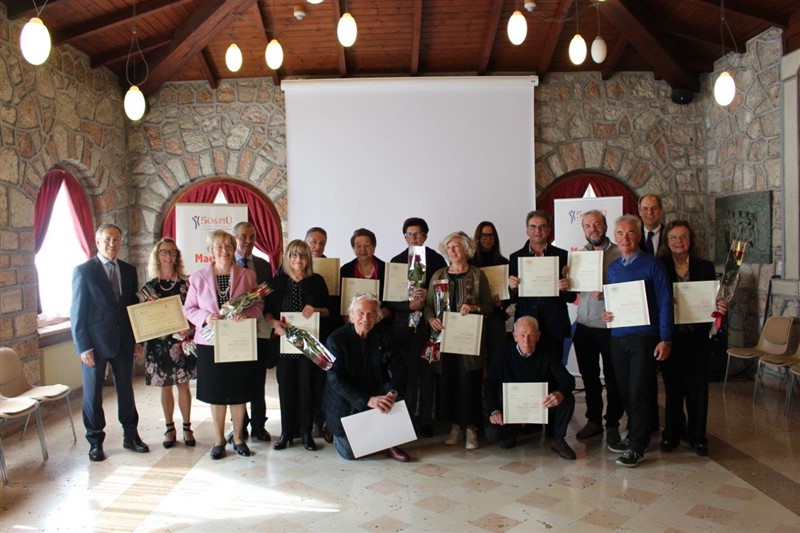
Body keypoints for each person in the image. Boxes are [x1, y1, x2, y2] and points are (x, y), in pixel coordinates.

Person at [70, 223, 149, 462]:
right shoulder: (84, 271)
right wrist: (83, 347)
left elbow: (132, 308)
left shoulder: (129, 270)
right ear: (97, 242)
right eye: (107, 239)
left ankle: (131, 436)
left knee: (126, 390)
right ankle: (95, 441)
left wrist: (138, 340)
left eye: (116, 239)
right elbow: (77, 312)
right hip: (94, 344)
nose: (112, 244)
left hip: (124, 341)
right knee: (93, 394)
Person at [183, 230, 263, 460]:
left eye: (228, 246)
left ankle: (238, 438)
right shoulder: (197, 278)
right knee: (216, 393)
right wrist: (206, 317)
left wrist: (246, 315)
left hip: (238, 340)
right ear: (211, 251)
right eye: (219, 246)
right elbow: (189, 309)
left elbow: (258, 305)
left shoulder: (247, 275)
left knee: (239, 392)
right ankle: (219, 441)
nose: (224, 251)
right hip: (209, 342)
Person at [601, 215, 673, 468]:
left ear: (638, 234)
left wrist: (666, 339)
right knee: (624, 390)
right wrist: (607, 313)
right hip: (618, 337)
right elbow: (613, 303)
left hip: (644, 337)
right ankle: (633, 435)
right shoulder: (613, 268)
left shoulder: (652, 264)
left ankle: (637, 446)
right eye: (620, 233)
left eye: (630, 233)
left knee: (639, 390)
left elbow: (665, 302)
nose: (625, 238)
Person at [658, 220, 727, 457]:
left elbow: (713, 298)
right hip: (671, 337)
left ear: (691, 240)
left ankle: (698, 437)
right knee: (673, 389)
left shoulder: (705, 267)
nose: (679, 241)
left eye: (683, 237)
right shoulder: (660, 266)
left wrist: (719, 304)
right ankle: (672, 435)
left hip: (697, 337)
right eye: (674, 238)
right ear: (667, 242)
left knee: (697, 390)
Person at [424, 232, 494, 450]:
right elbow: (427, 306)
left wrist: (474, 307)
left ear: (467, 249)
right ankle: (455, 427)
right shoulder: (438, 275)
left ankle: (471, 428)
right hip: (443, 340)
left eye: (456, 246)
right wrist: (431, 319)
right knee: (448, 383)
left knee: (469, 383)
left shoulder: (476, 275)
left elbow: (489, 306)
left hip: (467, 342)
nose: (452, 251)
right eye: (449, 247)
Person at [324, 293, 410, 462]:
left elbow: (401, 368)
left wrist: (392, 393)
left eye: (371, 313)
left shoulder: (385, 335)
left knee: (397, 390)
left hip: (374, 389)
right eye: (360, 313)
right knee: (350, 454)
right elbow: (336, 380)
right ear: (351, 315)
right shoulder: (336, 340)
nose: (365, 318)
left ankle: (389, 441)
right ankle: (333, 430)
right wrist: (367, 400)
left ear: (378, 317)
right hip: (346, 398)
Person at [263, 240, 330, 451]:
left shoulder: (317, 281)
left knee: (307, 389)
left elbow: (330, 311)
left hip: (308, 348)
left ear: (307, 259)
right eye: (293, 255)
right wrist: (274, 324)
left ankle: (305, 433)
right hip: (284, 347)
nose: (298, 260)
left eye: (302, 256)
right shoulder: (277, 282)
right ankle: (286, 433)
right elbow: (267, 313)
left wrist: (317, 309)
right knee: (286, 390)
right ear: (287, 257)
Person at [386, 217, 447, 438]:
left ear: (426, 236)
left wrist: (428, 301)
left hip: (430, 325)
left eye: (419, 234)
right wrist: (408, 305)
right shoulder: (396, 262)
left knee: (428, 373)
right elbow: (389, 300)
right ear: (404, 237)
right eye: (410, 234)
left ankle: (427, 420)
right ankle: (408, 419)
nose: (414, 238)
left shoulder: (437, 259)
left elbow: (445, 294)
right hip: (405, 327)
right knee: (408, 375)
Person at [484, 317, 576, 460]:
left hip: (541, 406)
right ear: (515, 336)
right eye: (522, 335)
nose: (526, 341)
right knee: (492, 433)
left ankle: (558, 439)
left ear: (538, 336)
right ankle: (516, 430)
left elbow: (568, 380)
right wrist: (494, 410)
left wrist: (560, 393)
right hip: (513, 409)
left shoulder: (548, 352)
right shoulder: (502, 353)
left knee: (567, 398)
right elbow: (490, 384)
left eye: (531, 335)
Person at [570, 211, 624, 446]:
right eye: (587, 225)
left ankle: (612, 423)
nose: (593, 228)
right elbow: (572, 293)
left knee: (613, 377)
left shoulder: (620, 253)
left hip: (611, 326)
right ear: (583, 229)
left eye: (597, 224)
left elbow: (629, 289)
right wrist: (565, 280)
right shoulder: (578, 256)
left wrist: (608, 293)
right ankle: (593, 420)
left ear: (605, 226)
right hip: (584, 325)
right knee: (589, 376)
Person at [142, 238, 196, 449]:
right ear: (157, 255)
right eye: (164, 252)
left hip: (181, 342)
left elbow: (195, 309)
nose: (168, 256)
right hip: (158, 344)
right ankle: (169, 427)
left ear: (177, 256)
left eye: (172, 252)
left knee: (183, 385)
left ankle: (187, 427)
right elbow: (142, 319)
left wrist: (190, 328)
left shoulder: (186, 283)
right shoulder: (149, 287)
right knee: (165, 386)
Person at [508, 210, 576, 354]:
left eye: (542, 226)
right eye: (533, 226)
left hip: (555, 323)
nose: (537, 230)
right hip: (526, 327)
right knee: (529, 370)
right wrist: (513, 288)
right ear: (527, 230)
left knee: (555, 370)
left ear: (549, 230)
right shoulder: (515, 257)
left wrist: (565, 288)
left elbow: (571, 297)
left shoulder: (563, 256)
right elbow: (512, 298)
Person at [230, 221, 273, 444]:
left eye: (251, 237)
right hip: (234, 331)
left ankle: (258, 426)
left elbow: (269, 297)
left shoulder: (264, 265)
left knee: (258, 379)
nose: (247, 241)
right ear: (234, 238)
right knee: (237, 379)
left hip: (258, 329)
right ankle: (239, 426)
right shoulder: (225, 264)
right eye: (242, 237)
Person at [637, 195, 664, 433]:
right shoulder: (634, 238)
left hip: (664, 313)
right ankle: (650, 423)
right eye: (645, 209)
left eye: (653, 208)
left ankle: (677, 424)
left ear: (661, 211)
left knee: (673, 377)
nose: (649, 212)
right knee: (644, 377)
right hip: (638, 319)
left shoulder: (672, 237)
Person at [470, 220, 511, 365]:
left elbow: (510, 293)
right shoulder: (469, 263)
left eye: (492, 236)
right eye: (484, 236)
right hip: (475, 317)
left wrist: (503, 302)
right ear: (477, 238)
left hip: (496, 317)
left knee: (496, 360)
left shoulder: (504, 262)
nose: (488, 239)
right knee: (474, 361)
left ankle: (494, 388)